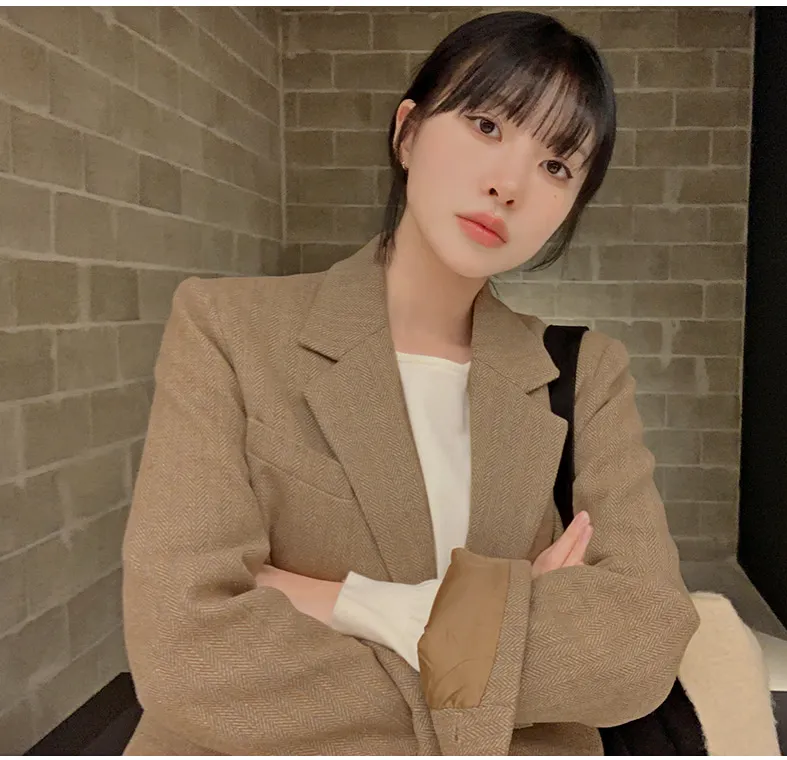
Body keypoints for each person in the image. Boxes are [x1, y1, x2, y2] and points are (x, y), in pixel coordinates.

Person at [121, 10, 699, 756]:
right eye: (487, 126)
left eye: (557, 166)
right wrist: (497, 624)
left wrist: (341, 599)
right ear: (407, 132)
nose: (509, 185)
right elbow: (185, 652)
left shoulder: (585, 373)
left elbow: (641, 643)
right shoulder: (229, 329)